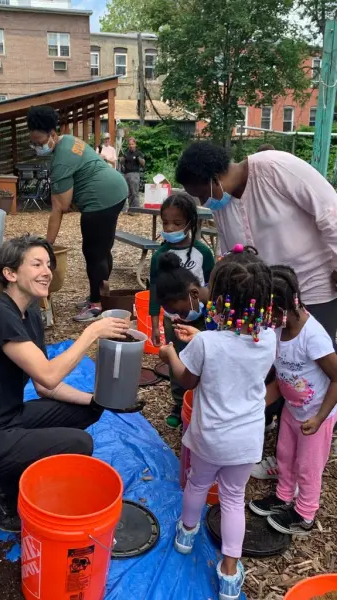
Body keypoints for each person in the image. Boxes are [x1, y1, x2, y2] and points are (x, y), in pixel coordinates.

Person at [0, 235, 129, 532]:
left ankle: (16, 463)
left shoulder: (29, 314)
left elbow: (44, 388)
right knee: (80, 443)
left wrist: (96, 400)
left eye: (49, 264)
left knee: (90, 411)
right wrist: (91, 333)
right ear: (10, 273)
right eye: (37, 264)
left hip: (8, 418)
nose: (47, 271)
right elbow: (48, 374)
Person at [158, 245, 276, 600]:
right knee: (233, 498)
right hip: (246, 441)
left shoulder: (206, 341)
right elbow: (238, 355)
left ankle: (185, 534)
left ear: (219, 300)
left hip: (210, 436)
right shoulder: (269, 337)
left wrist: (169, 354)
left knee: (197, 484)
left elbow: (187, 379)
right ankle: (228, 573)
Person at [175, 142, 337, 340]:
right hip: (267, 299)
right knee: (275, 361)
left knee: (315, 358)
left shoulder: (275, 166)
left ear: (215, 179)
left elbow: (330, 213)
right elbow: (232, 256)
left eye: (201, 194)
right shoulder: (221, 207)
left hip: (313, 286)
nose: (203, 203)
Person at [249, 266, 337, 536]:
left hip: (316, 414)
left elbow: (336, 378)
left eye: (270, 314)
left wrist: (320, 418)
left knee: (308, 468)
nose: (266, 321)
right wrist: (254, 405)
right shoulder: (277, 329)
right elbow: (280, 379)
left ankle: (304, 514)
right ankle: (283, 497)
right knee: (284, 456)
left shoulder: (313, 337)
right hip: (292, 408)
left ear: (286, 307)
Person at [27, 105, 128, 322]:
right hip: (116, 191)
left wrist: (47, 245)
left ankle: (96, 305)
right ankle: (100, 295)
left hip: (100, 201)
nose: (37, 147)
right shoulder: (69, 140)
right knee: (102, 250)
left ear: (52, 135)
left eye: (40, 142)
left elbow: (60, 206)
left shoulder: (61, 160)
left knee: (93, 253)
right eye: (33, 143)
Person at [149, 193, 215, 428]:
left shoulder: (203, 253)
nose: (169, 228)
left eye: (176, 223)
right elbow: (154, 289)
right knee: (176, 360)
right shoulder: (158, 256)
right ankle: (179, 403)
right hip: (171, 320)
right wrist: (155, 322)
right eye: (165, 223)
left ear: (190, 223)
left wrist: (210, 316)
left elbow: (212, 287)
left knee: (203, 360)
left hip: (199, 319)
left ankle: (201, 401)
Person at [120, 137, 145, 213]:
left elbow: (143, 163)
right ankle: (128, 210)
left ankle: (136, 210)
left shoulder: (138, 153)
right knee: (126, 193)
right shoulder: (126, 153)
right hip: (126, 174)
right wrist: (121, 159)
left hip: (135, 174)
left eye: (132, 144)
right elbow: (121, 162)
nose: (131, 146)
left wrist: (138, 158)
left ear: (135, 144)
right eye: (130, 144)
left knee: (134, 192)